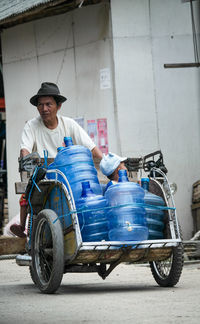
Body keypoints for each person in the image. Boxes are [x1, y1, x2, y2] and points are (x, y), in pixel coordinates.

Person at [10, 82, 103, 238]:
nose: (44, 109)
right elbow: (25, 149)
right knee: (26, 196)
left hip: (69, 177)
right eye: (40, 105)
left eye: (48, 104)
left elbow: (93, 150)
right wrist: (26, 161)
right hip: (42, 177)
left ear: (58, 106)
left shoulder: (70, 125)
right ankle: (23, 227)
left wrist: (107, 163)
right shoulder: (31, 126)